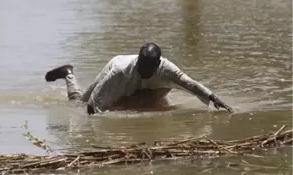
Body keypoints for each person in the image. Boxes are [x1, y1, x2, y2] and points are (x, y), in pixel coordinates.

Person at [45, 43, 233, 114]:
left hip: (147, 88)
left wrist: (212, 97)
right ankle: (68, 73)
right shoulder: (119, 70)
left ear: (158, 64)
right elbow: (94, 102)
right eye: (141, 66)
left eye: (148, 68)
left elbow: (189, 83)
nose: (143, 70)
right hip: (116, 72)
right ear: (138, 60)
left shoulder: (167, 69)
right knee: (79, 102)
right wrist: (92, 121)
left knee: (155, 104)